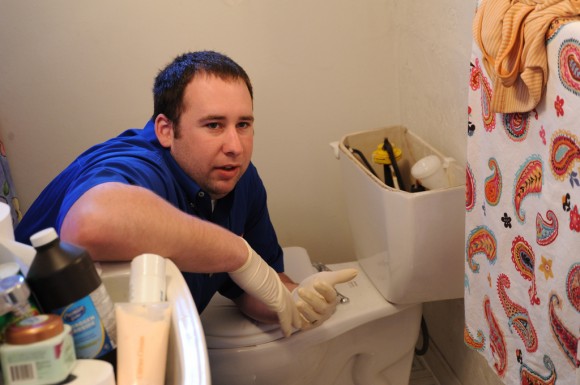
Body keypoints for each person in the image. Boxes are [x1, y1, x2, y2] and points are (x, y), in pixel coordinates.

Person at [15, 51, 356, 336]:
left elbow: (256, 286)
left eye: (243, 125)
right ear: (165, 129)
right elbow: (89, 225)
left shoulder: (239, 179)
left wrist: (295, 298)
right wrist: (236, 252)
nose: (235, 147)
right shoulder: (141, 165)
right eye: (213, 125)